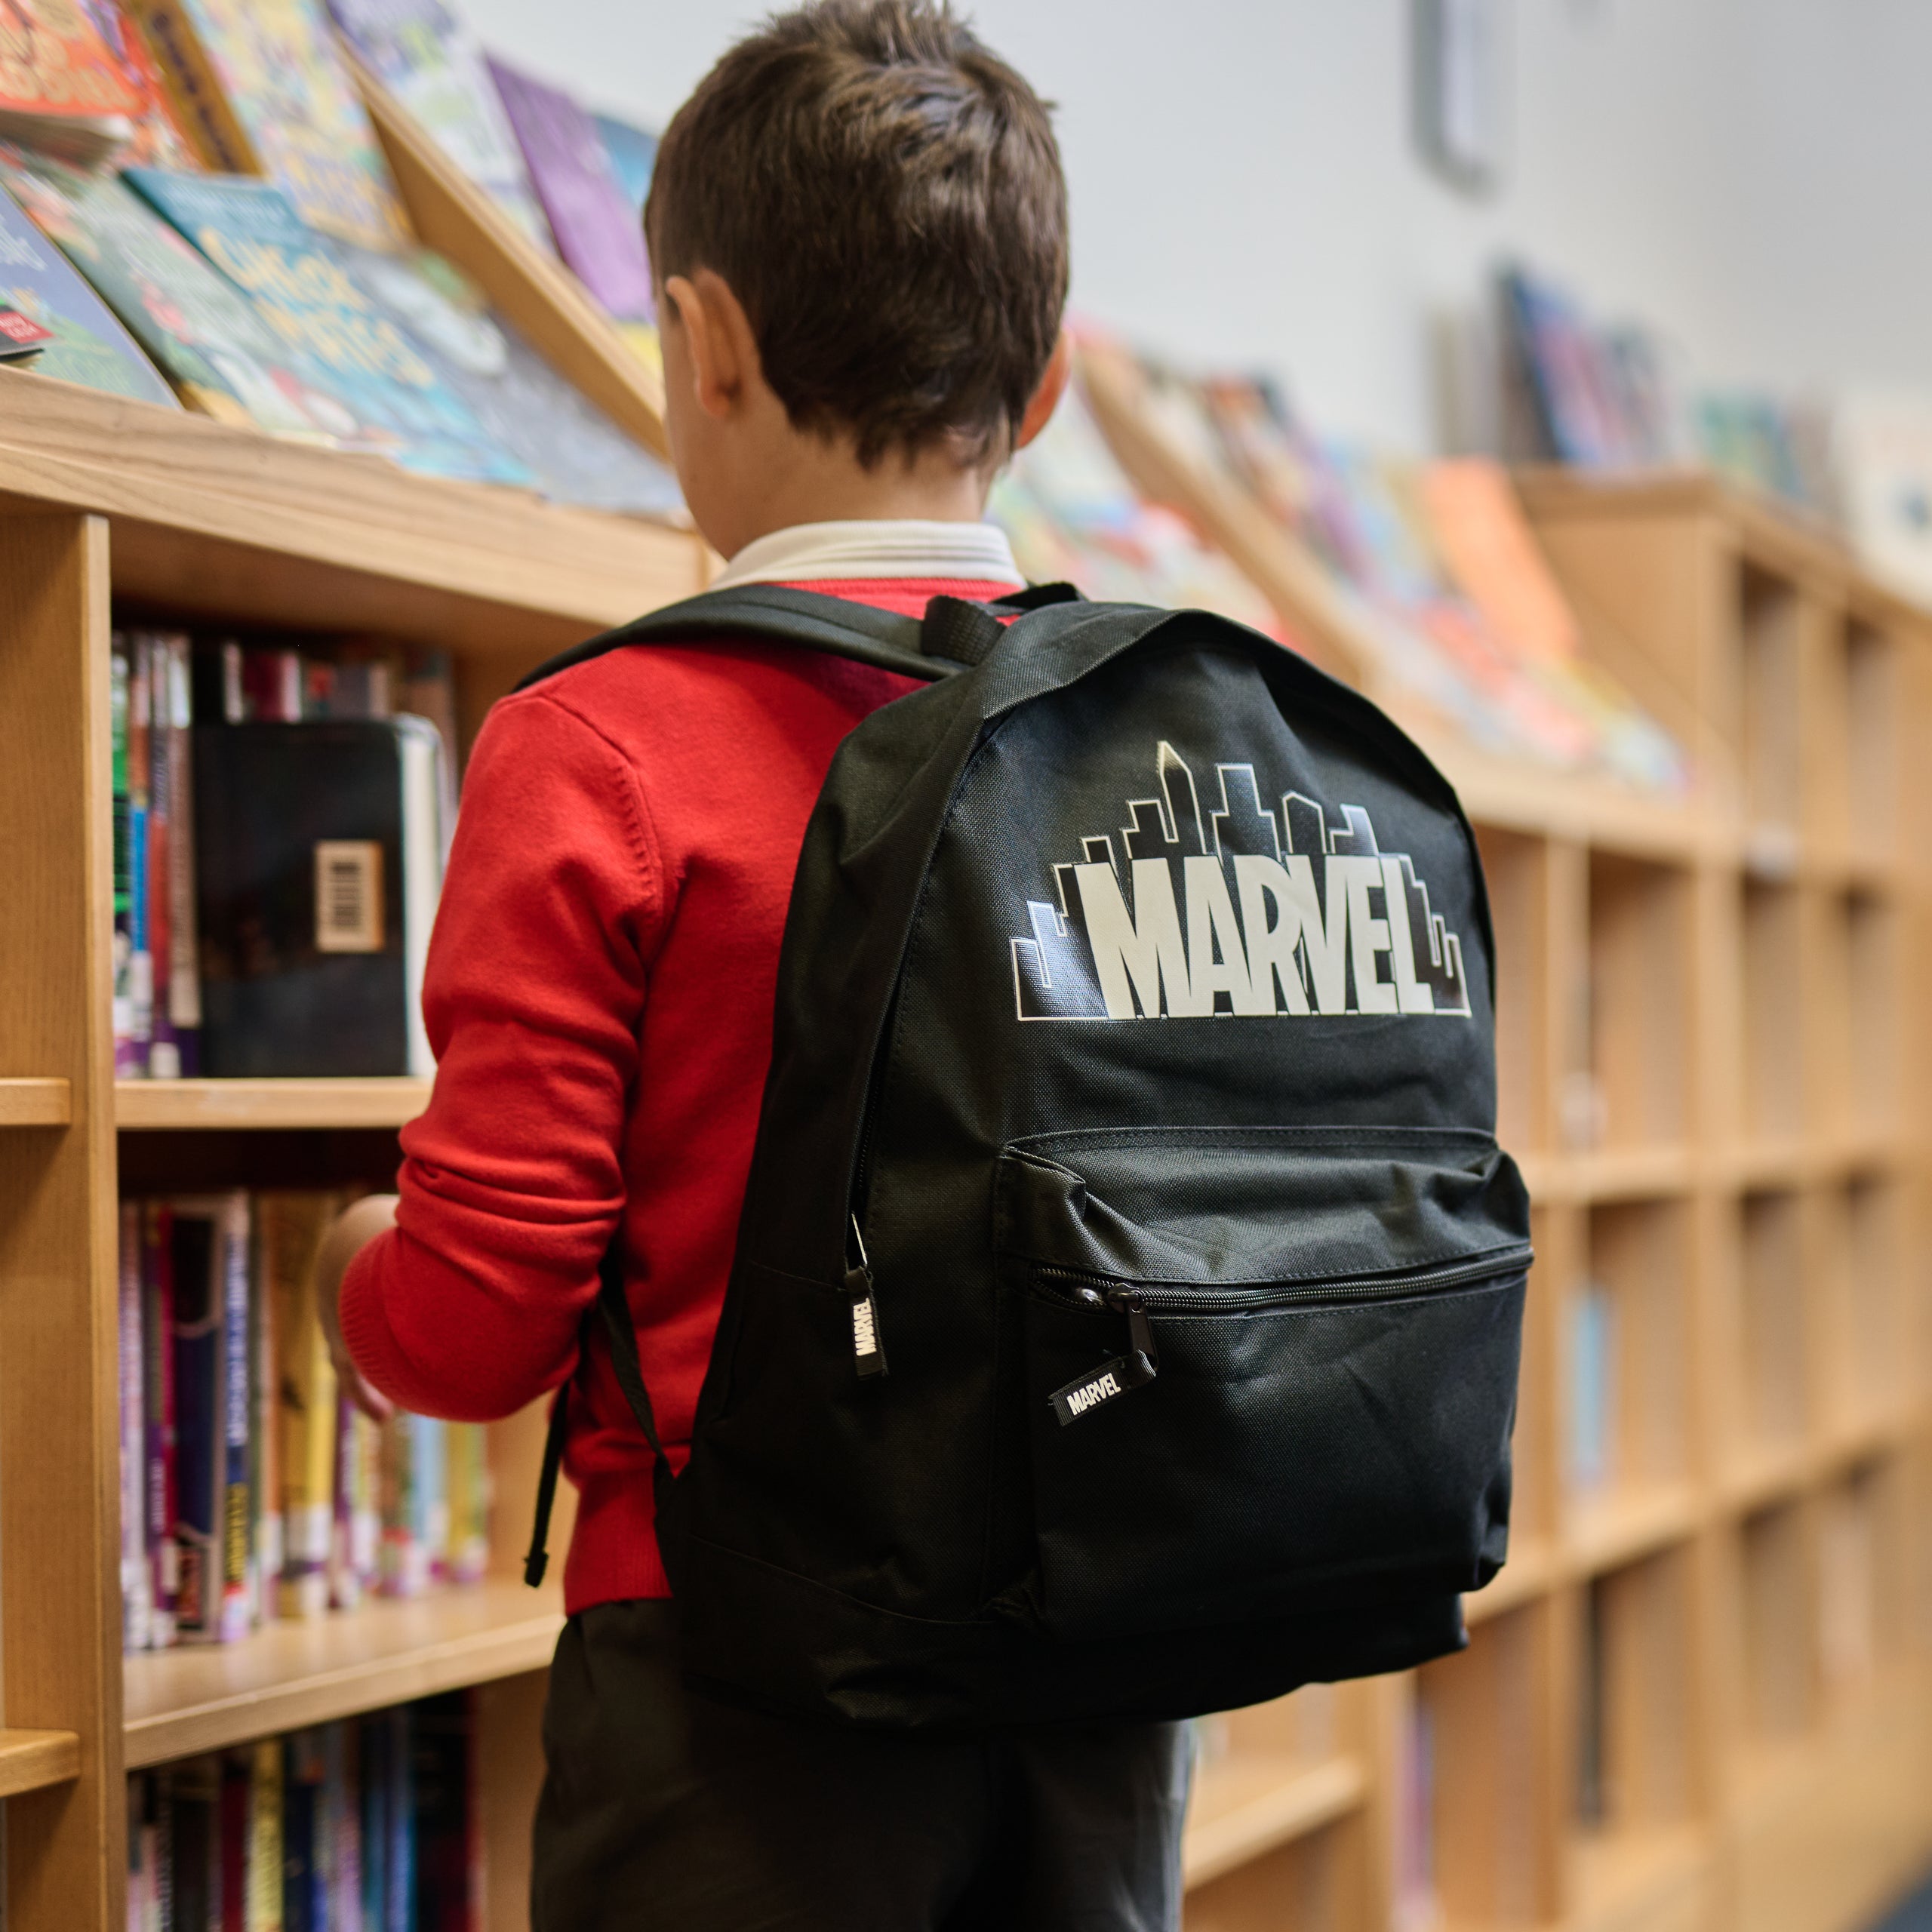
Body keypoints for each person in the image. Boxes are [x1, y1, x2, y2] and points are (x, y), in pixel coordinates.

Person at [313, 4, 1191, 1926]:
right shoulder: (1157, 729)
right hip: (1105, 1656)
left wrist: (339, 1271)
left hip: (742, 1689)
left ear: (700, 343)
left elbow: (475, 1325)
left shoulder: (602, 744)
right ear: (1040, 391)